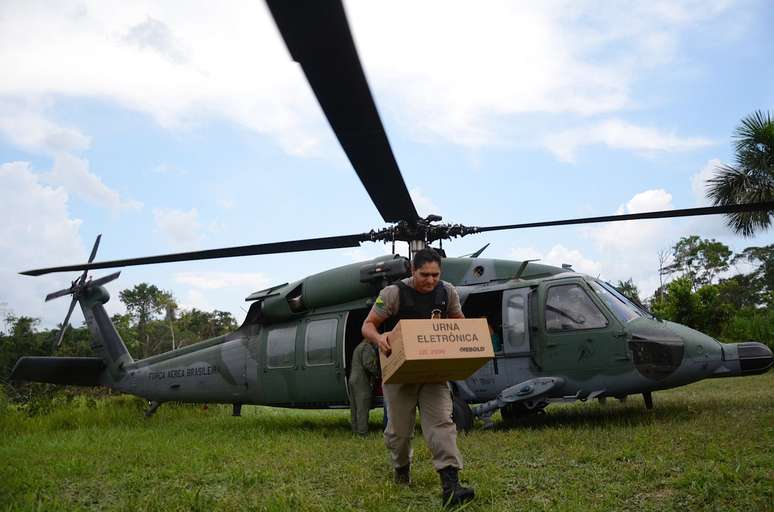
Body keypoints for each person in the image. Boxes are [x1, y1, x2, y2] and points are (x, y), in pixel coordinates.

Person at [362, 248, 475, 507]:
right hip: (400, 372)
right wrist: (380, 339)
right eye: (425, 274)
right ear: (413, 271)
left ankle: (451, 484)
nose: (431, 280)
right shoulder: (393, 293)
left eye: (436, 274)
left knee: (442, 423)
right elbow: (368, 325)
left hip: (433, 371)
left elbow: (459, 323)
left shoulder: (447, 293)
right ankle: (401, 468)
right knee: (399, 432)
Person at [348, 338, 379, 435]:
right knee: (362, 406)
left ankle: (355, 429)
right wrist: (377, 373)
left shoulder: (358, 347)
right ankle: (362, 432)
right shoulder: (367, 347)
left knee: (355, 407)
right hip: (361, 380)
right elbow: (368, 364)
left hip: (353, 379)